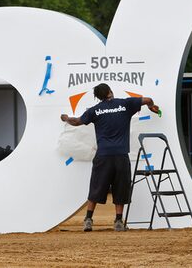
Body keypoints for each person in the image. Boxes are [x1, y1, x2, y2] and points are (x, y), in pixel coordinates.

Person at [60, 83, 159, 232]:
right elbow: (148, 99)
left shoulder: (95, 110)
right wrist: (152, 106)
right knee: (121, 187)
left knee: (96, 187)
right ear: (110, 92)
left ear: (98, 97)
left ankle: (88, 219)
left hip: (103, 155)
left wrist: (66, 118)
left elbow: (77, 122)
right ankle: (118, 221)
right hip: (121, 155)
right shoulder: (125, 104)